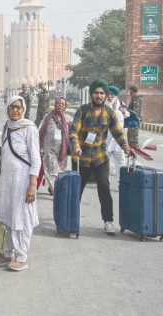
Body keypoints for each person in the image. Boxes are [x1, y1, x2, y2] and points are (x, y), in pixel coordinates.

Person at [69, 79, 135, 235]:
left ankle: (108, 221)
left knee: (104, 188)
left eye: (102, 93)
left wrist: (126, 147)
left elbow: (118, 133)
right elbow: (73, 131)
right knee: (76, 190)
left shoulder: (110, 113)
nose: (99, 96)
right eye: (96, 93)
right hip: (81, 157)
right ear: (92, 94)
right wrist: (76, 146)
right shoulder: (82, 111)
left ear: (106, 95)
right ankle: (71, 220)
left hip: (100, 157)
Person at [0, 96, 41, 272]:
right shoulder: (7, 127)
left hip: (22, 181)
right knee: (5, 216)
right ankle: (7, 253)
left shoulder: (29, 128)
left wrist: (32, 185)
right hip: (6, 181)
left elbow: (36, 160)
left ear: (24, 109)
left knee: (21, 218)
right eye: (12, 107)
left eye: (19, 107)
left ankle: (21, 256)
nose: (15, 110)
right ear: (7, 109)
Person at [39, 96, 72, 194]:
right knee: (52, 170)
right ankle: (56, 191)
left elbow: (74, 132)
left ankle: (52, 187)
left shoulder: (68, 118)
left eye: (63, 104)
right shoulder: (48, 117)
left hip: (62, 150)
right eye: (59, 103)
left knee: (60, 172)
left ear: (65, 106)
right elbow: (40, 130)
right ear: (55, 104)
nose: (60, 105)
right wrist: (39, 146)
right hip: (50, 149)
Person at [106, 86, 129, 180]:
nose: (110, 96)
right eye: (108, 94)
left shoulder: (120, 103)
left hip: (118, 140)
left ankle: (121, 182)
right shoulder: (103, 104)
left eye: (112, 94)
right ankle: (103, 182)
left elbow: (127, 114)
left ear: (115, 95)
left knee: (121, 161)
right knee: (103, 163)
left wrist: (123, 111)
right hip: (106, 138)